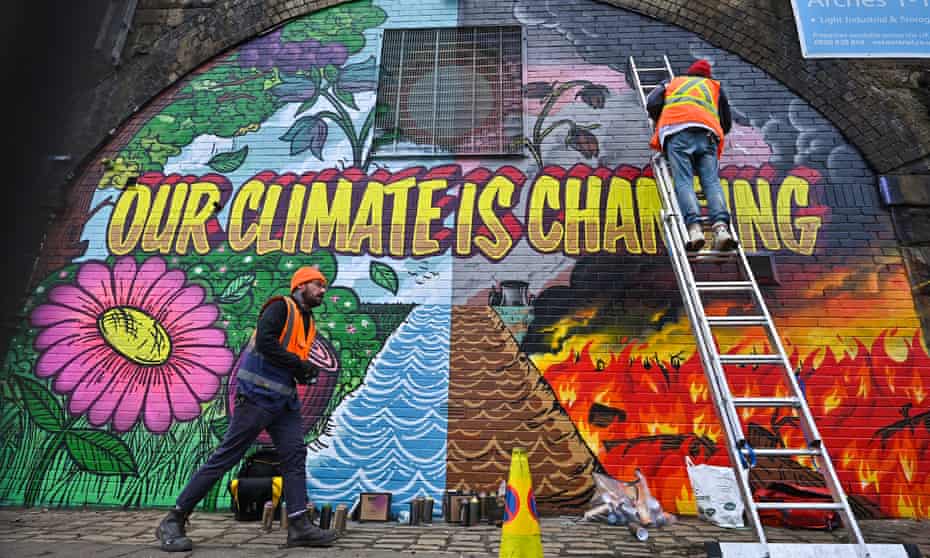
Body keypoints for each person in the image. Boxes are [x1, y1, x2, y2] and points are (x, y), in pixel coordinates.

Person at [156, 266, 338, 552]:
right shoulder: (281, 307)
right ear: (301, 285)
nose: (323, 290)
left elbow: (289, 356)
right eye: (318, 284)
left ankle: (299, 525)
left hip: (284, 401)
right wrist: (298, 366)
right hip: (255, 398)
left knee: (293, 457)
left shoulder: (307, 320)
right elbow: (265, 343)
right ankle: (174, 518)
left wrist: (304, 373)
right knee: (225, 457)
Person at [647, 59, 736, 252]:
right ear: (707, 76)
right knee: (711, 182)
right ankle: (721, 230)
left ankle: (695, 229)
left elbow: (652, 102)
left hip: (677, 132)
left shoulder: (672, 83)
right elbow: (726, 122)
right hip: (707, 135)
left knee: (684, 181)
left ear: (690, 73)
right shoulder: (714, 87)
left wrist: (660, 118)